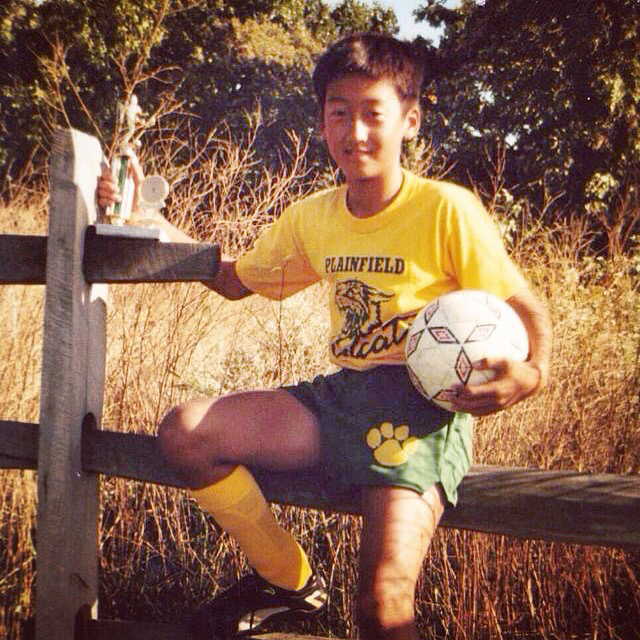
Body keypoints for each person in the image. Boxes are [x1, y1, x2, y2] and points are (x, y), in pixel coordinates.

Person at [98, 33, 552, 640]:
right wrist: (148, 218)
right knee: (187, 433)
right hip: (342, 397)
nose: (355, 132)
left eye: (374, 113)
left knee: (383, 607)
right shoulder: (312, 217)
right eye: (339, 113)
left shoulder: (447, 209)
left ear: (410, 120)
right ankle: (287, 582)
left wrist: (531, 374)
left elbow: (524, 306)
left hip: (419, 414)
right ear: (321, 123)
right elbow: (233, 280)